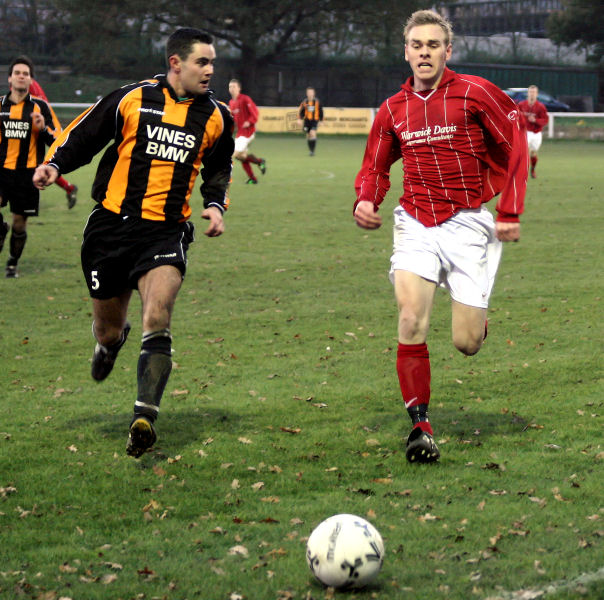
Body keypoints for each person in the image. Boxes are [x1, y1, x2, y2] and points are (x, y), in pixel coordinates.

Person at [33, 28, 235, 458]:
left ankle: (144, 416)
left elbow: (218, 168)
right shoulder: (133, 98)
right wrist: (54, 165)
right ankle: (108, 343)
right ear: (176, 63)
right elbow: (85, 134)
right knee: (109, 325)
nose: (210, 70)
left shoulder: (217, 115)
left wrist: (215, 205)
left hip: (165, 230)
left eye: (213, 62)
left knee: (158, 313)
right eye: (202, 61)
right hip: (110, 227)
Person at [353, 9, 528, 463]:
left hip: (468, 222)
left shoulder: (475, 92)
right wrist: (366, 198)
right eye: (417, 45)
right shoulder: (393, 108)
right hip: (414, 222)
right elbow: (375, 164)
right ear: (406, 51)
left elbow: (516, 148)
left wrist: (509, 211)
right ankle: (420, 428)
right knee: (411, 318)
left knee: (466, 343)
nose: (424, 52)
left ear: (447, 51)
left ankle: (477, 316)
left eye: (433, 45)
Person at [0, 55, 63, 278]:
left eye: (25, 74)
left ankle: (12, 263)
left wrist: (43, 128)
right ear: (9, 78)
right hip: (1, 172)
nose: (21, 76)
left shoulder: (41, 107)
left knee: (19, 224)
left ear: (30, 80)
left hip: (27, 175)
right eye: (17, 72)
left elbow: (58, 141)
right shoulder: (0, 105)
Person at [28, 78, 79, 207]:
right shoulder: (27, 82)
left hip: (40, 121)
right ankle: (69, 188)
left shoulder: (26, 83)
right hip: (37, 121)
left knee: (44, 163)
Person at [228, 79, 266, 184]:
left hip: (248, 132)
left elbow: (255, 113)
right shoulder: (231, 103)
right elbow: (235, 119)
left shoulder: (245, 99)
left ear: (239, 88)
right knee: (242, 157)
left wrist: (249, 122)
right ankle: (255, 172)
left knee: (234, 154)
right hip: (240, 133)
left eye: (234, 86)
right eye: (230, 87)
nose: (232, 89)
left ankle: (226, 178)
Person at [517, 85, 549, 179]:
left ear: (537, 94)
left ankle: (532, 170)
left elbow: (545, 120)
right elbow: (516, 116)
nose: (532, 94)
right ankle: (521, 172)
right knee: (523, 152)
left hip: (536, 133)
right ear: (527, 93)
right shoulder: (521, 105)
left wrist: (536, 121)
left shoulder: (541, 107)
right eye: (530, 92)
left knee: (533, 153)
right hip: (525, 132)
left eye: (534, 92)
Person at [297, 86, 324, 156]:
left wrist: (321, 121)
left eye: (311, 92)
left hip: (314, 120)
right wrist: (299, 119)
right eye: (308, 92)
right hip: (307, 121)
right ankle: (311, 150)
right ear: (307, 93)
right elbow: (301, 112)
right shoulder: (304, 102)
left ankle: (312, 151)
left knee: (312, 133)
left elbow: (321, 112)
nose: (310, 94)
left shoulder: (317, 102)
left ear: (314, 93)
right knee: (309, 135)